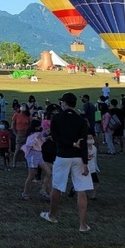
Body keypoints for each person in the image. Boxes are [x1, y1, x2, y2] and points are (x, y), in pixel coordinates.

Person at [40, 92, 91, 232]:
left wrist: (71, 143)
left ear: (64, 103)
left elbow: (55, 137)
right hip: (79, 158)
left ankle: (52, 215)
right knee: (81, 190)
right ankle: (82, 224)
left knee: (57, 187)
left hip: (63, 156)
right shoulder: (81, 120)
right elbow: (84, 143)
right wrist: (85, 162)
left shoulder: (57, 118)